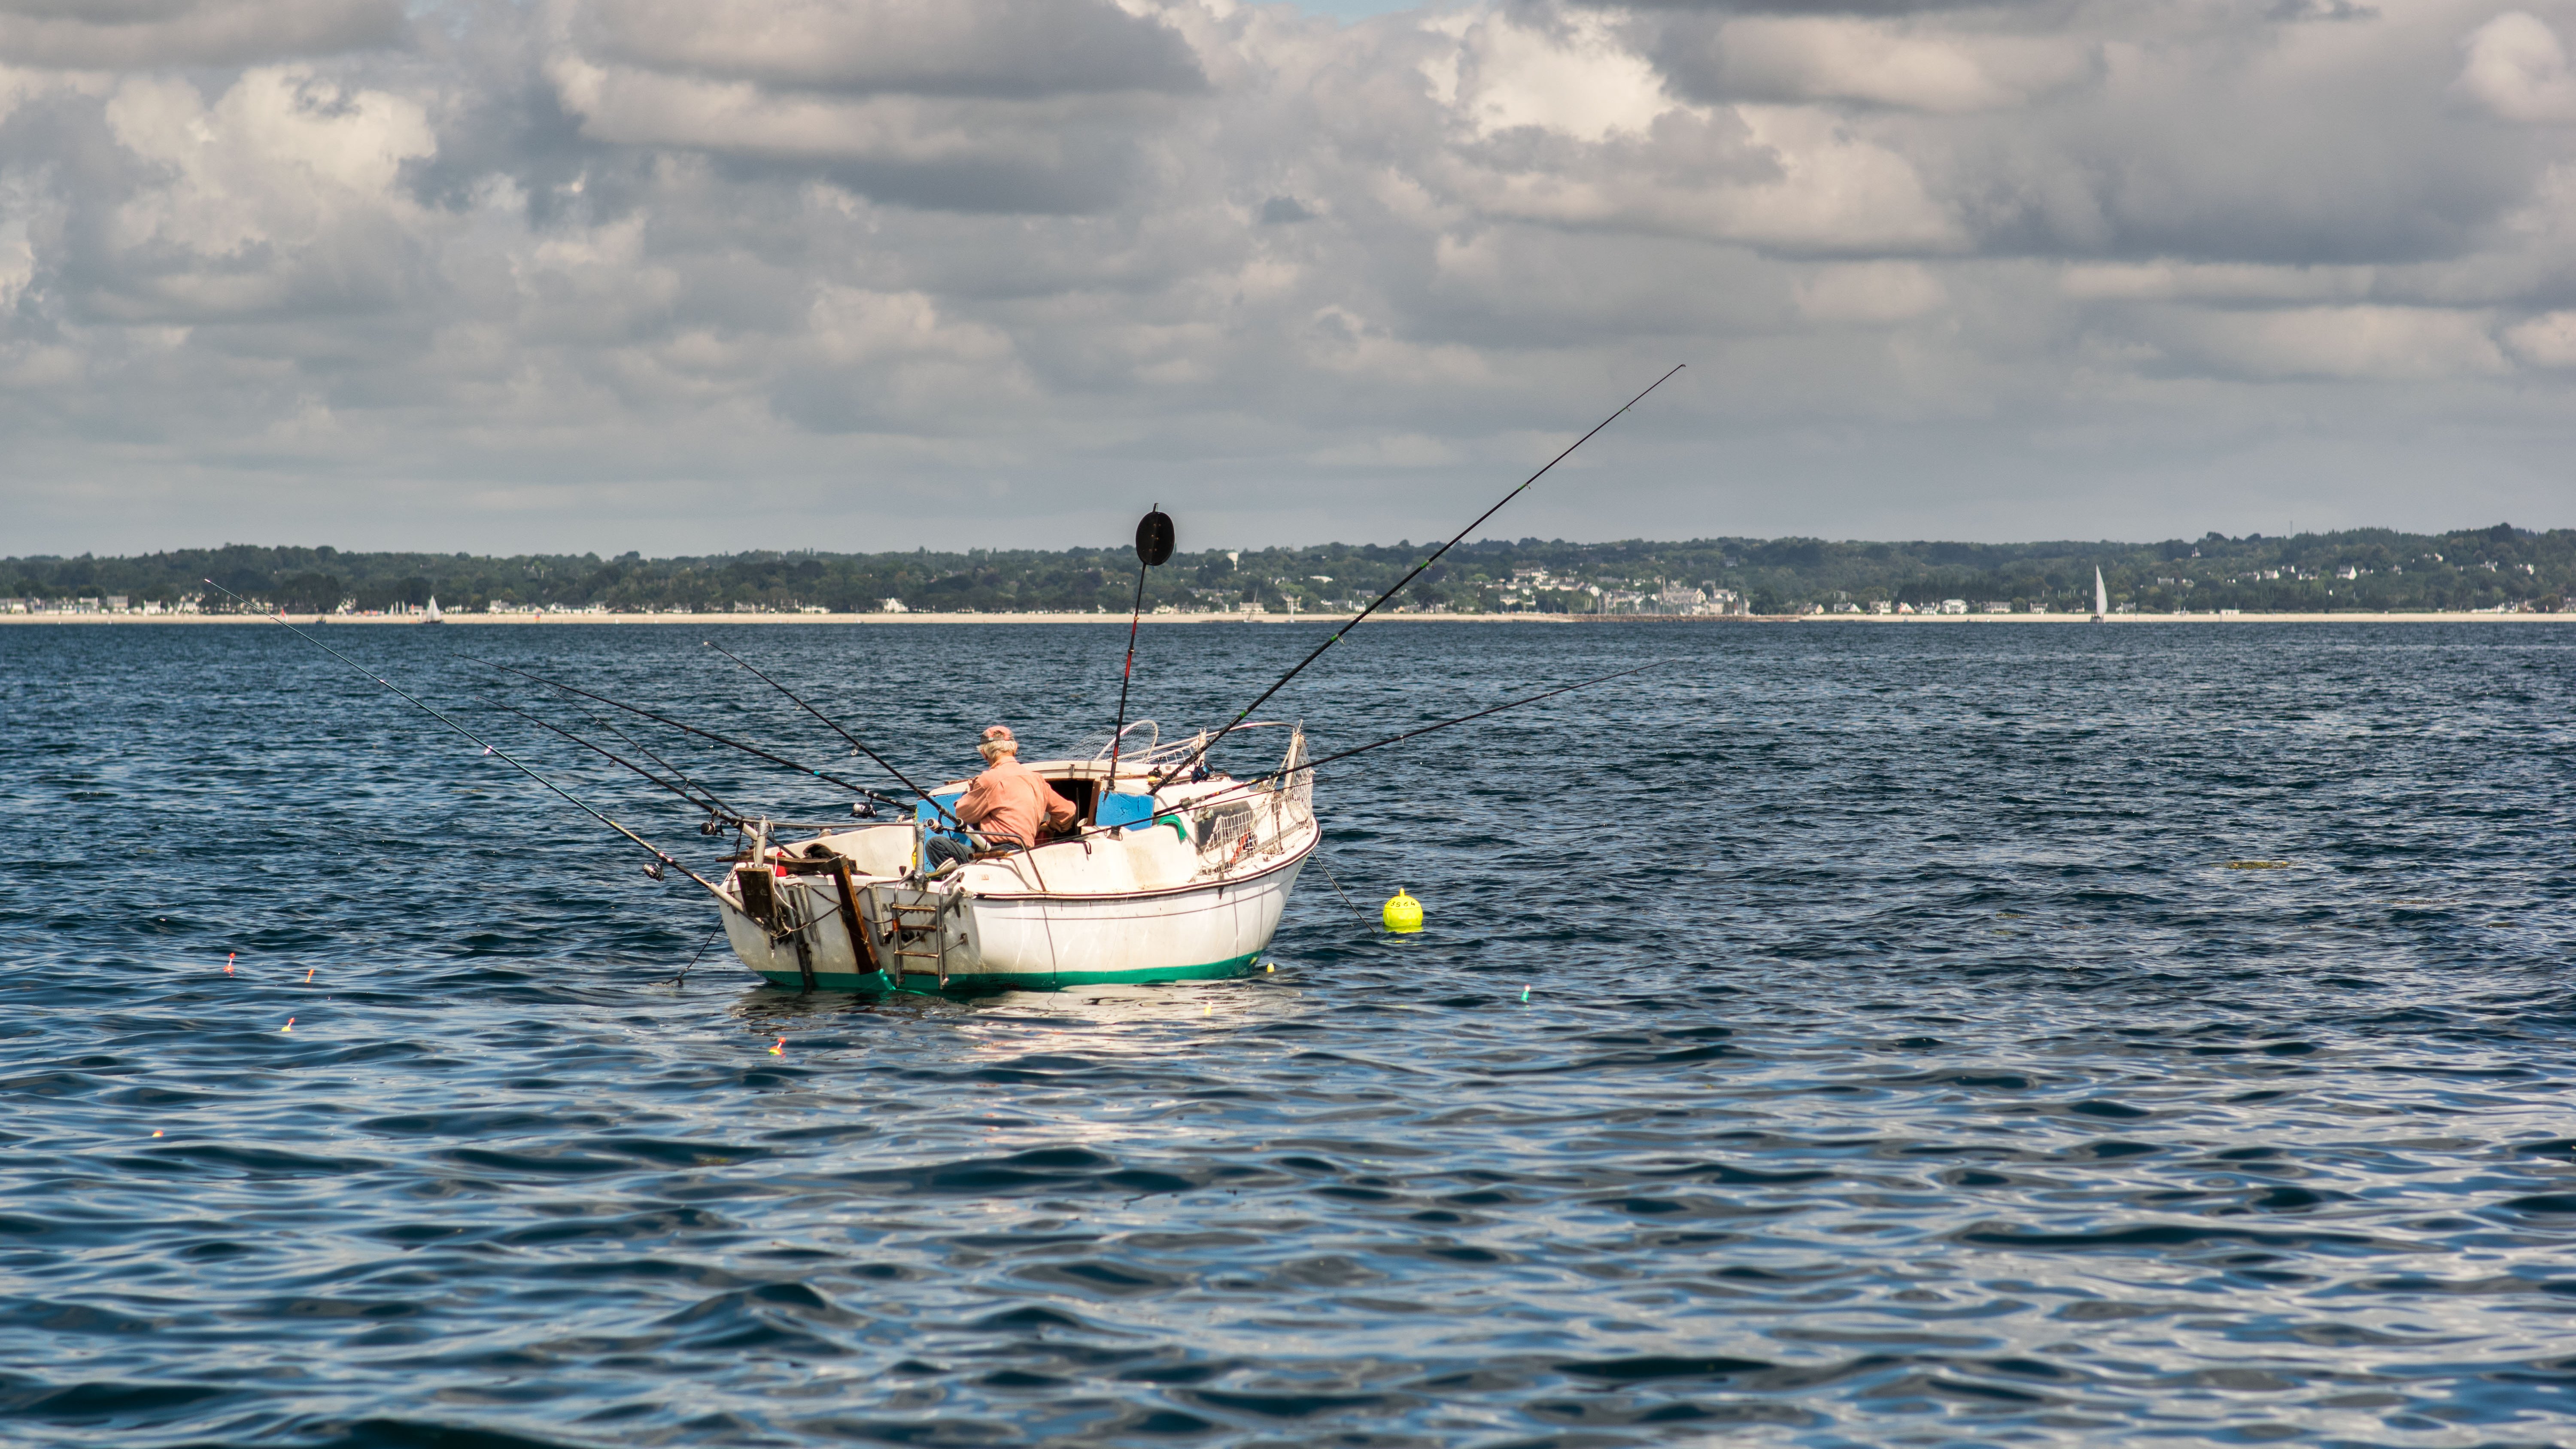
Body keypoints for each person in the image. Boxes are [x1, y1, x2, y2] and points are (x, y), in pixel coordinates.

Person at [923, 725, 1077, 872]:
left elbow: (964, 814)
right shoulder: (1036, 779)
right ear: (1015, 748)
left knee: (936, 845)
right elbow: (1068, 810)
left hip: (999, 855)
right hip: (1026, 852)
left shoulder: (988, 780)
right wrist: (1050, 827)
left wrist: (973, 790)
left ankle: (959, 885)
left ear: (984, 754)